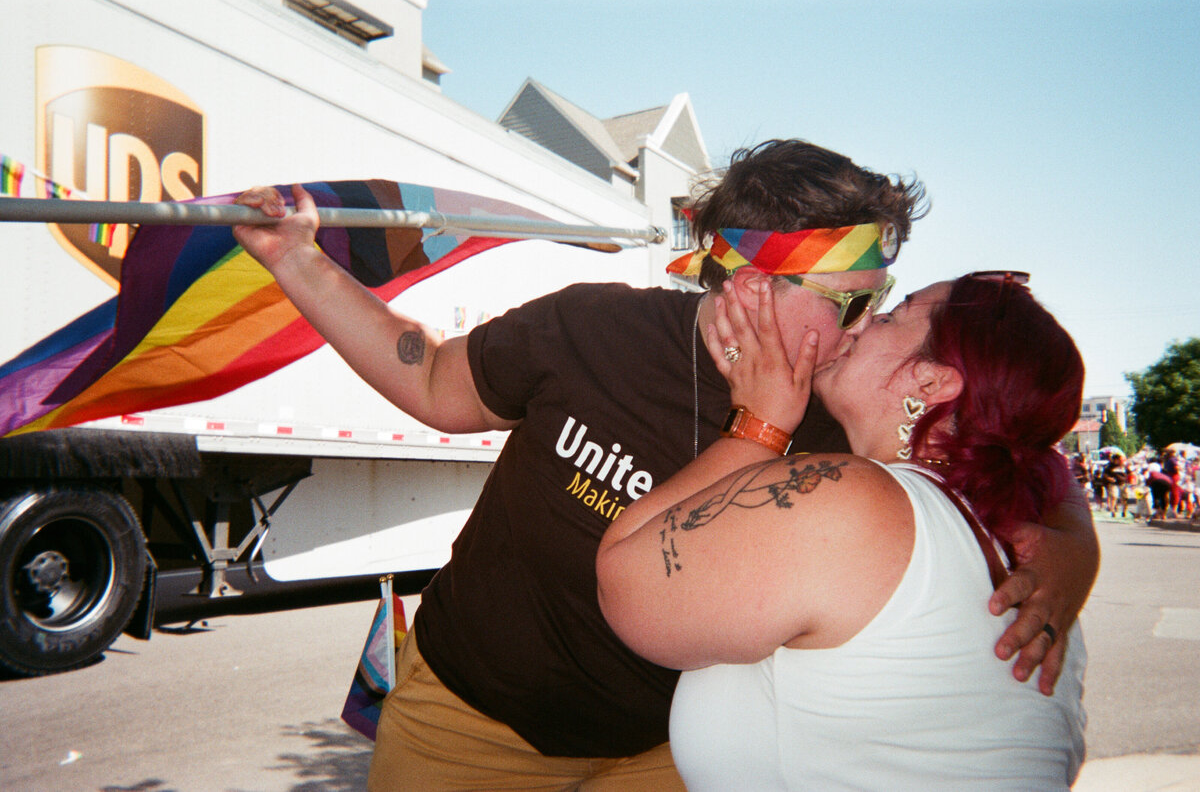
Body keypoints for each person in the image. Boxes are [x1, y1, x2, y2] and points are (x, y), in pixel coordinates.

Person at [232, 140, 1097, 789]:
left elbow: (1022, 463)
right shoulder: (592, 329)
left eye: (883, 301)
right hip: (471, 715)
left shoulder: (847, 415)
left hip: (663, 752)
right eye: (855, 302)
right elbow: (428, 379)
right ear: (753, 284)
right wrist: (293, 258)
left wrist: (1066, 555)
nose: (870, 328)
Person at [597, 272, 1089, 789]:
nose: (861, 322)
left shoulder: (857, 503)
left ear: (931, 382)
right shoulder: (1018, 542)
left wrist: (759, 424)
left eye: (893, 315)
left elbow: (623, 584)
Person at [1102, 452, 1130, 517]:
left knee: (1124, 498)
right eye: (1119, 460)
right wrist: (1109, 478)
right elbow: (1105, 475)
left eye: (1122, 460)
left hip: (1123, 483)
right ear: (1115, 460)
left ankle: (1124, 511)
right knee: (1114, 496)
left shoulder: (1124, 466)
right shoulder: (1109, 466)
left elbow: (1129, 473)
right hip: (1113, 483)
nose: (1121, 461)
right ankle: (1113, 511)